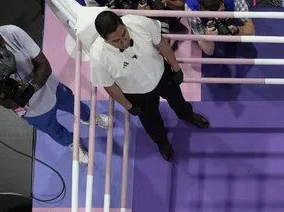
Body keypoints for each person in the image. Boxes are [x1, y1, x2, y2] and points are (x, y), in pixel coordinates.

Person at [0, 13, 110, 163]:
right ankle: (72, 143)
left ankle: (89, 118)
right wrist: (1, 97)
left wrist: (31, 89)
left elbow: (44, 66)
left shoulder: (12, 32)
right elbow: (9, 105)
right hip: (34, 112)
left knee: (75, 104)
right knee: (54, 131)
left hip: (52, 88)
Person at [90, 9, 211, 162]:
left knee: (178, 100)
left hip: (162, 74)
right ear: (105, 39)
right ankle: (162, 142)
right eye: (116, 40)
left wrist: (176, 67)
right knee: (151, 121)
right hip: (137, 93)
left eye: (124, 33)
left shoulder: (139, 22)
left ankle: (188, 115)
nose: (124, 41)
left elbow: (162, 44)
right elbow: (109, 86)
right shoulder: (98, 56)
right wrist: (128, 106)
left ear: (123, 23)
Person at [186, 0, 257, 58]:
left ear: (222, 3)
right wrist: (207, 39)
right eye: (211, 16)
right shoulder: (191, 9)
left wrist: (237, 30)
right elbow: (209, 52)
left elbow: (251, 31)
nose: (216, 18)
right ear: (202, 9)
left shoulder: (236, 1)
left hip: (231, 10)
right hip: (202, 20)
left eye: (220, 11)